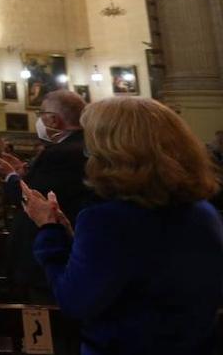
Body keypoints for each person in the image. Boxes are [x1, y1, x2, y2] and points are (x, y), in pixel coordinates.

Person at [23, 97, 223, 355]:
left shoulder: (107, 219)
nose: (87, 151)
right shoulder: (202, 212)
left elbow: (75, 300)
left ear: (112, 150)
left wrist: (49, 230)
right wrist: (73, 238)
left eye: (91, 142)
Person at [0, 90, 89, 296]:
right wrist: (24, 172)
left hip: (48, 249)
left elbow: (33, 200)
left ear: (53, 119)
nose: (40, 120)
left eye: (41, 114)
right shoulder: (84, 146)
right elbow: (54, 186)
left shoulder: (58, 153)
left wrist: (10, 177)